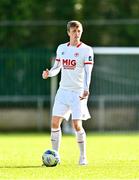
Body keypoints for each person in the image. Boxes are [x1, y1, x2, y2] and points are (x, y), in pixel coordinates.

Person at [42, 20, 94, 165]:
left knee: (76, 125)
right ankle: (55, 155)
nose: (77, 34)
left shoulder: (87, 50)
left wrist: (86, 89)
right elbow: (57, 67)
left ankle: (83, 157)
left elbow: (88, 72)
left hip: (78, 92)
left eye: (79, 31)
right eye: (74, 31)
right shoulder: (61, 48)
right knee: (54, 123)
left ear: (81, 32)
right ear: (68, 33)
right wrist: (49, 74)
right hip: (63, 91)